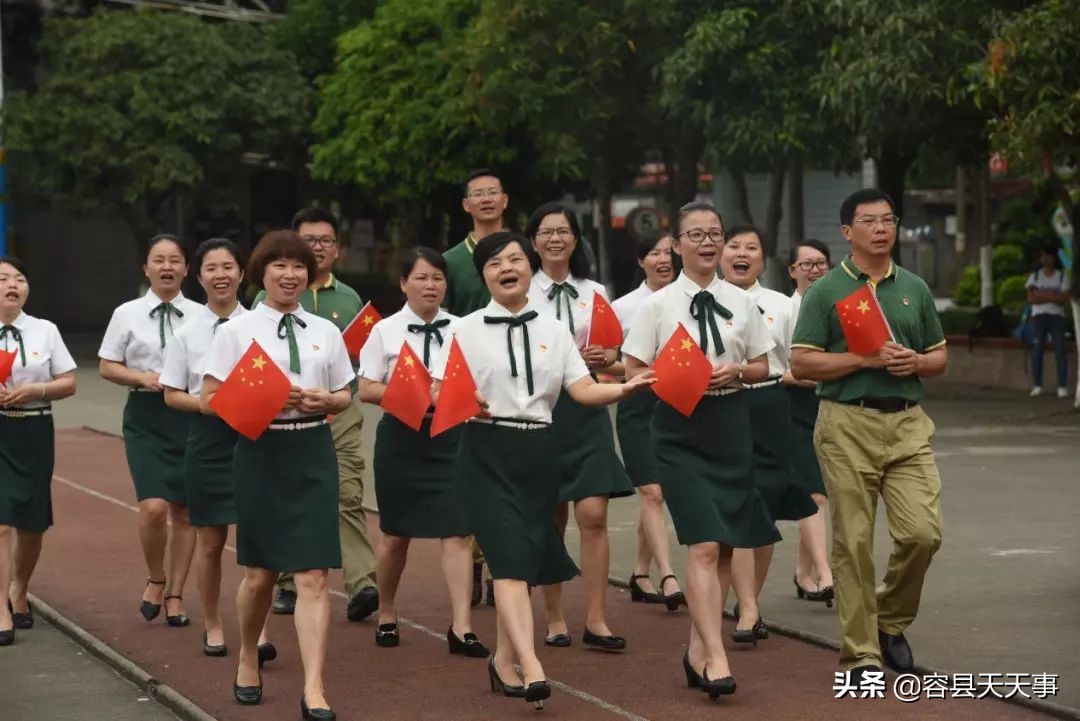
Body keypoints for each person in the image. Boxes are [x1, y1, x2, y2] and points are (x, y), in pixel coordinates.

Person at [431, 232, 654, 709]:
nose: (506, 267)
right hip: (486, 451)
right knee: (509, 561)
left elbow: (583, 390)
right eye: (494, 263)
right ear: (484, 275)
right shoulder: (463, 329)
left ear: (528, 267)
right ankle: (531, 664)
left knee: (526, 562)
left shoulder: (554, 329)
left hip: (538, 450)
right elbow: (436, 393)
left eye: (514, 259)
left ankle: (502, 662)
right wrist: (467, 402)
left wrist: (625, 389)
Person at [791, 188, 947, 684]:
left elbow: (939, 357)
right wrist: (864, 359)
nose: (881, 229)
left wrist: (916, 362)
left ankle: (889, 620)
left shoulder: (914, 288)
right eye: (869, 221)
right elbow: (801, 361)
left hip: (907, 424)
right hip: (845, 422)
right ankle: (861, 655)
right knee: (854, 542)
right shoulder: (826, 291)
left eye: (888, 220)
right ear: (847, 232)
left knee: (923, 533)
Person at [623, 201, 778, 698]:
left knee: (727, 540)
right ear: (677, 244)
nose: (708, 242)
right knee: (705, 542)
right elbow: (632, 372)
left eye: (715, 233)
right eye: (696, 234)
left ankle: (697, 645)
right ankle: (716, 653)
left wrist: (737, 371)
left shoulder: (743, 300)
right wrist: (675, 377)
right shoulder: (657, 305)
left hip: (731, 420)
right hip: (678, 425)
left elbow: (763, 364)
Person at [203, 230, 354, 719]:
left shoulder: (324, 332)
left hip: (312, 449)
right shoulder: (235, 332)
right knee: (261, 574)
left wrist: (329, 401)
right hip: (260, 450)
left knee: (313, 575)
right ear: (260, 272)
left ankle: (314, 689)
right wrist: (265, 400)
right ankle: (248, 653)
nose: (290, 274)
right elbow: (209, 398)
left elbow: (344, 393)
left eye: (299, 266)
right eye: (279, 266)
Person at [357, 247, 487, 657]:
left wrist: (454, 394)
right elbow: (365, 387)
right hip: (402, 437)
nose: (430, 285)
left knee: (459, 531)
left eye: (437, 278)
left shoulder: (466, 328)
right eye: (421, 278)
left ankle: (461, 626)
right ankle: (387, 612)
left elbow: (482, 379)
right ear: (403, 283)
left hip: (452, 436)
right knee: (395, 534)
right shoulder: (385, 330)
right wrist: (412, 393)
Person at [525, 202, 633, 652]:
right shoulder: (520, 291)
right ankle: (553, 617)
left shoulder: (595, 290)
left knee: (593, 513)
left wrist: (606, 357)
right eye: (546, 232)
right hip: (542, 410)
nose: (555, 239)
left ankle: (596, 619)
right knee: (551, 515)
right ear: (533, 242)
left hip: (587, 407)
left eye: (563, 231)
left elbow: (611, 348)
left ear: (575, 239)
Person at [160, 239, 274, 661]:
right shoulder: (186, 333)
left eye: (229, 266)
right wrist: (215, 405)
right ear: (200, 276)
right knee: (209, 540)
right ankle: (211, 623)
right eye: (212, 268)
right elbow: (171, 394)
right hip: (207, 442)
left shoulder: (263, 326)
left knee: (257, 542)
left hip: (257, 440)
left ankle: (256, 629)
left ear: (243, 273)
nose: (221, 275)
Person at [262, 208, 378, 623]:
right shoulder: (263, 300)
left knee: (347, 490)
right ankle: (289, 582)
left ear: (337, 249)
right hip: (284, 416)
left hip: (339, 408)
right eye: (308, 241)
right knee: (291, 496)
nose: (317, 248)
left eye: (325, 241)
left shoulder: (348, 299)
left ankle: (363, 581)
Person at [720, 226, 817, 645]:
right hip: (723, 406)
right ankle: (748, 610)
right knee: (742, 503)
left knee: (768, 505)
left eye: (751, 248)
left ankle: (749, 601)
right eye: (734, 247)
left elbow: (803, 359)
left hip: (772, 405)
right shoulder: (704, 303)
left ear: (764, 258)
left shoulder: (781, 304)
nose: (742, 254)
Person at [99, 235, 202, 627]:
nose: (167, 267)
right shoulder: (126, 313)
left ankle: (176, 593)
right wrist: (143, 377)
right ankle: (155, 576)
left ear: (186, 269)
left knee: (187, 512)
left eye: (175, 260)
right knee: (154, 507)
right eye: (158, 260)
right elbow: (108, 366)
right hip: (145, 415)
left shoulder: (200, 314)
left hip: (190, 414)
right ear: (146, 268)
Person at [0, 257, 78, 646]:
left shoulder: (45, 330)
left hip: (33, 428)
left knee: (31, 521)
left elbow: (69, 382)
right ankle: (0, 606)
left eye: (19, 278)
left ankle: (19, 588)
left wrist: (35, 389)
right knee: (0, 519)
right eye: (2, 279)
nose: (12, 284)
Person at [444, 168, 510, 607]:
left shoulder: (520, 253)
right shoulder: (449, 262)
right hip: (468, 383)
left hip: (514, 380)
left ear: (505, 200)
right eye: (477, 195)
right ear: (466, 205)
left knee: (505, 479)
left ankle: (499, 565)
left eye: (493, 193)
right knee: (469, 475)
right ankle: (471, 566)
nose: (486, 200)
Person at [610, 230, 684, 609]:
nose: (663, 259)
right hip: (639, 405)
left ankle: (640, 572)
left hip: (680, 403)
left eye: (669, 252)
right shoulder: (623, 307)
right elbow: (607, 361)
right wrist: (645, 369)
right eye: (654, 253)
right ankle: (669, 575)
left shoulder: (689, 300)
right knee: (652, 493)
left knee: (658, 494)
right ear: (641, 261)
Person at [787, 239, 835, 606]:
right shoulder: (782, 310)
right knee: (815, 494)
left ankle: (804, 574)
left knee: (819, 496)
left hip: (831, 408)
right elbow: (771, 367)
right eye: (807, 264)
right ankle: (826, 573)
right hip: (793, 410)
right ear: (792, 270)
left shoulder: (838, 309)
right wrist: (799, 375)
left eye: (821, 263)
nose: (815, 270)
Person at [1025, 245, 1071, 398]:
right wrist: (1052, 296)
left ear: (1054, 258)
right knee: (1037, 349)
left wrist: (1042, 295)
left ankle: (1062, 386)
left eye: (1048, 256)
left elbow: (1063, 299)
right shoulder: (1035, 277)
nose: (1045, 259)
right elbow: (1031, 299)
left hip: (1056, 317)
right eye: (1043, 256)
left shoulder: (1061, 277)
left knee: (1059, 350)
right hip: (1039, 317)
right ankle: (1037, 385)